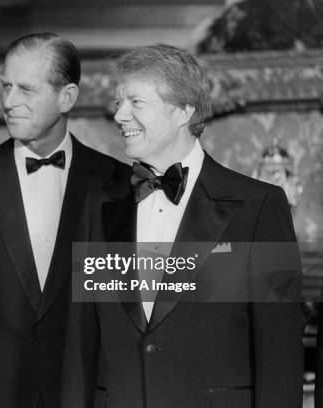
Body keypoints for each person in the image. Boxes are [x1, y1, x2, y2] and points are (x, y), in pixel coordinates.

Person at [62, 44, 305, 408]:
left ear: (183, 111)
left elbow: (279, 352)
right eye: (118, 103)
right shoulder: (99, 208)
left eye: (135, 103)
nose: (120, 116)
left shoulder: (258, 207)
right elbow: (81, 345)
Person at [0, 33, 129, 408]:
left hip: (87, 393)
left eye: (26, 89)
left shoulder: (118, 183)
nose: (8, 102)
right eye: (6, 86)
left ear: (66, 97)